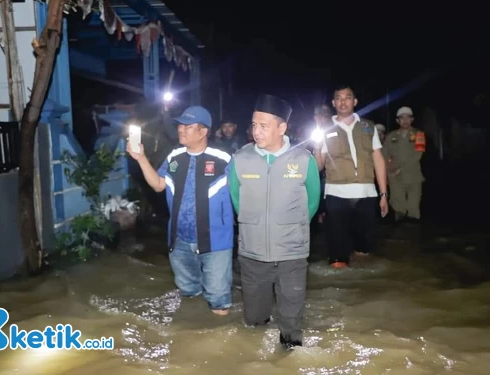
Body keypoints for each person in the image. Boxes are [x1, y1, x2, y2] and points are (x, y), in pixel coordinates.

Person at [228, 93, 321, 349]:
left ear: (282, 127)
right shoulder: (240, 159)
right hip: (252, 255)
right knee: (254, 323)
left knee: (291, 328)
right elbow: (237, 200)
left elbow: (312, 202)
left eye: (264, 126)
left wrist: (290, 228)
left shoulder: (303, 160)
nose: (256, 131)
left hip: (291, 255)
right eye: (254, 125)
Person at [126, 105, 235, 316]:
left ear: (203, 131)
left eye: (188, 126)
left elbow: (242, 193)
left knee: (219, 303)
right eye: (180, 125)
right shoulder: (174, 157)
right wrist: (140, 158)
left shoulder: (224, 160)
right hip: (180, 241)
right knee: (189, 295)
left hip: (215, 242)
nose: (181, 129)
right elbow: (158, 184)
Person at [313, 84, 389, 268]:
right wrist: (316, 145)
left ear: (354, 101)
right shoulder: (325, 130)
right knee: (338, 259)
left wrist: (384, 195)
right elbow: (318, 166)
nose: (343, 101)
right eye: (338, 98)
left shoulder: (368, 127)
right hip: (336, 195)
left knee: (364, 253)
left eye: (347, 97)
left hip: (367, 195)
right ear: (333, 103)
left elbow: (378, 159)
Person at [383, 106, 426, 222]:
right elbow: (384, 155)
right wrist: (389, 169)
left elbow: (418, 155)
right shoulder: (391, 136)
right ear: (397, 121)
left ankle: (414, 235)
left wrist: (400, 168)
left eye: (408, 117)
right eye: (402, 118)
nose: (405, 120)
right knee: (398, 209)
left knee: (413, 208)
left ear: (412, 119)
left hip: (413, 176)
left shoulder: (419, 134)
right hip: (395, 177)